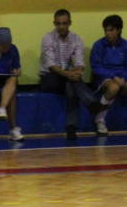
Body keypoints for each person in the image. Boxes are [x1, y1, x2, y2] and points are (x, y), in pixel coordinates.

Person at [39, 9, 96, 140]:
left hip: (67, 76)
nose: (61, 27)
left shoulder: (76, 39)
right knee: (71, 83)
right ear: (54, 23)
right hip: (49, 77)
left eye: (64, 23)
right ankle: (90, 103)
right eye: (58, 23)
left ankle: (71, 128)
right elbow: (51, 65)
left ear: (70, 23)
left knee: (71, 86)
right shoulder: (48, 38)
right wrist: (69, 75)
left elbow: (80, 62)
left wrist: (78, 72)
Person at [89, 15, 127, 135]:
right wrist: (113, 76)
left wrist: (124, 78)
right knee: (114, 87)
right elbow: (96, 67)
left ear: (118, 30)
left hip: (123, 77)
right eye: (106, 30)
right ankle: (99, 120)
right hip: (104, 77)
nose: (108, 33)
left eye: (111, 30)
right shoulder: (98, 45)